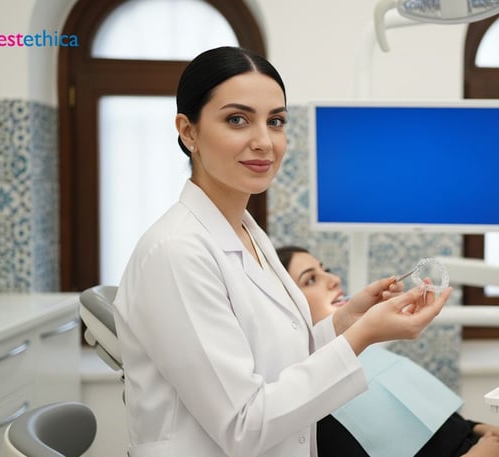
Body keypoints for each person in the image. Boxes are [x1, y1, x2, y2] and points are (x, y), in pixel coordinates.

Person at [112, 46, 451, 457]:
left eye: (276, 122)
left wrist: (347, 320)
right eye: (237, 120)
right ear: (189, 131)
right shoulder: (175, 253)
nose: (263, 142)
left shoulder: (249, 234)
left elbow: (280, 358)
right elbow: (244, 426)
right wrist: (364, 336)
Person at [278, 246, 499, 457]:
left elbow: (429, 423)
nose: (333, 279)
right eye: (310, 279)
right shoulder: (308, 397)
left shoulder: (368, 351)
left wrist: (483, 429)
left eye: (325, 269)